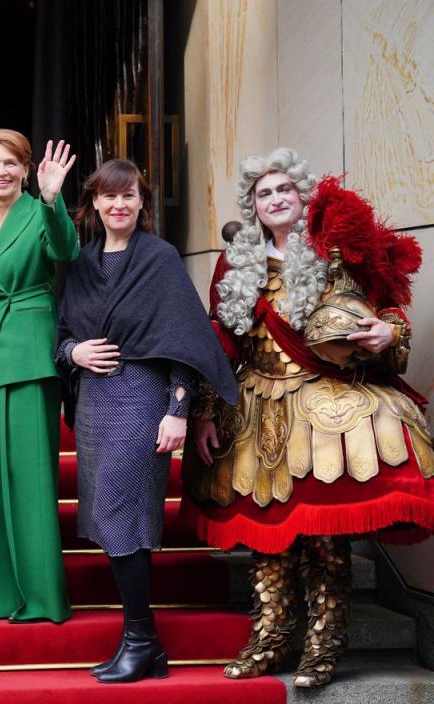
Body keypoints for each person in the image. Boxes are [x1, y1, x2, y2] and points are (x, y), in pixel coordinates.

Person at [181, 147, 434, 688]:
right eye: (262, 194)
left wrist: (391, 332)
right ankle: (270, 637)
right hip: (255, 405)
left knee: (324, 536)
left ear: (303, 197)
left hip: (325, 408)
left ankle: (324, 644)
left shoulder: (336, 252)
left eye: (283, 191)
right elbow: (217, 342)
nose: (274, 200)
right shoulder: (234, 262)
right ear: (253, 206)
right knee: (268, 537)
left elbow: (384, 311)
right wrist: (203, 411)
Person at [55, 159, 237, 683]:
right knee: (110, 520)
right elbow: (62, 332)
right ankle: (142, 642)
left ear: (142, 204)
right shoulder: (84, 261)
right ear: (93, 204)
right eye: (109, 197)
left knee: (125, 517)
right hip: (94, 401)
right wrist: (74, 353)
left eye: (129, 196)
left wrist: (178, 409)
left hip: (141, 395)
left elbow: (184, 338)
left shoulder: (159, 258)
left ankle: (142, 641)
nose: (119, 205)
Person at [0, 129, 78, 623]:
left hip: (29, 357)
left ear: (26, 169)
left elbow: (65, 251)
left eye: (10, 163)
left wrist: (52, 200)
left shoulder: (38, 212)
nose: (0, 171)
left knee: (29, 479)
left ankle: (42, 596)